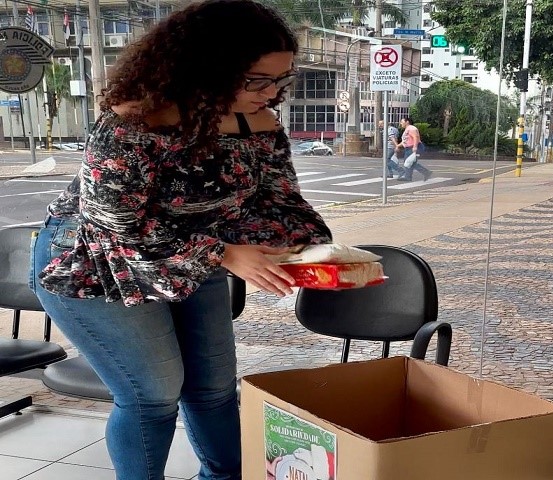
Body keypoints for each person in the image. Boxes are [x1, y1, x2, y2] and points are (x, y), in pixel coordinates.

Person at [29, 1, 332, 479]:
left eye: (281, 80)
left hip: (194, 259)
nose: (272, 93)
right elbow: (116, 221)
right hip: (97, 261)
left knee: (212, 389)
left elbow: (279, 202)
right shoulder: (134, 121)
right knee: (152, 395)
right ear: (207, 68)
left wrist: (316, 250)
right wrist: (226, 253)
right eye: (257, 80)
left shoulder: (260, 124)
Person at [396, 116, 432, 182]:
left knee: (409, 162)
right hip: (409, 147)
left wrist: (415, 147)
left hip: (412, 147)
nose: (401, 123)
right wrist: (398, 145)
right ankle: (423, 173)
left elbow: (415, 137)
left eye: (402, 122)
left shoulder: (411, 128)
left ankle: (410, 176)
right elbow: (405, 141)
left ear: (407, 122)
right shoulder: (407, 129)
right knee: (409, 162)